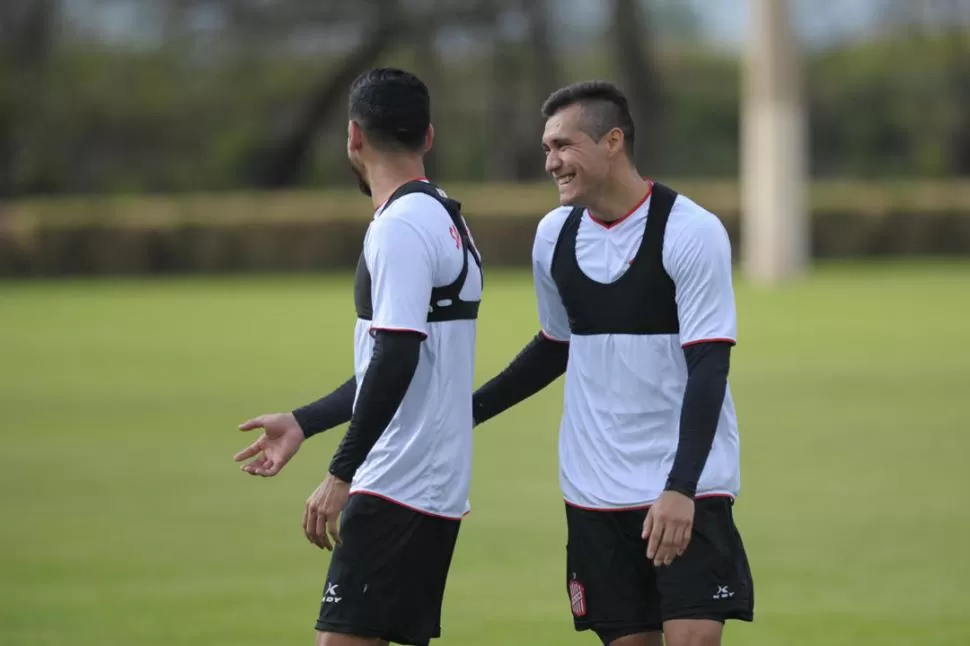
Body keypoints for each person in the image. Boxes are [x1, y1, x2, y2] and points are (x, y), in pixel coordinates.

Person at [470, 80, 754, 646]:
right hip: (594, 492)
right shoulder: (553, 235)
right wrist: (460, 414)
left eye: (563, 146)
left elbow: (709, 368)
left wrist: (681, 488)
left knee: (694, 639)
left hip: (685, 489)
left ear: (613, 142)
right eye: (547, 148)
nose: (551, 162)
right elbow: (555, 345)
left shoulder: (689, 231)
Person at [231, 67, 483, 646]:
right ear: (429, 137)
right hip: (430, 484)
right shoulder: (447, 217)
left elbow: (395, 358)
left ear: (353, 137)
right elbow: (398, 358)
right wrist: (304, 422)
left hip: (397, 480)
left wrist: (340, 473)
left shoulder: (399, 226)